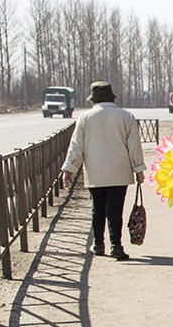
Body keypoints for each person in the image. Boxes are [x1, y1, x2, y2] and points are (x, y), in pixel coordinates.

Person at [61, 80, 145, 261]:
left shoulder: (85, 118)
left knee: (97, 209)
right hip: (120, 172)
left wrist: (69, 169)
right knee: (115, 210)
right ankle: (116, 246)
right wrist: (138, 169)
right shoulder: (126, 116)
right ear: (112, 97)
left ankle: (98, 244)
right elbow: (134, 146)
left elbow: (76, 146)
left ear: (93, 99)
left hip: (95, 172)